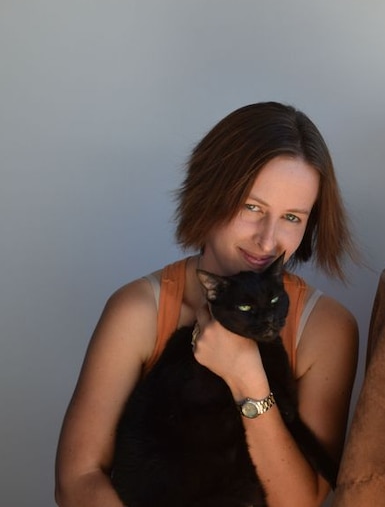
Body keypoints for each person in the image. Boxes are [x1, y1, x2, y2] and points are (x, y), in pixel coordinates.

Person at [55, 102, 359, 506]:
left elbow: (300, 502)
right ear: (211, 193)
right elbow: (77, 479)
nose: (268, 241)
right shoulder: (137, 311)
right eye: (252, 208)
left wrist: (247, 378)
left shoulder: (327, 328)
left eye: (292, 218)